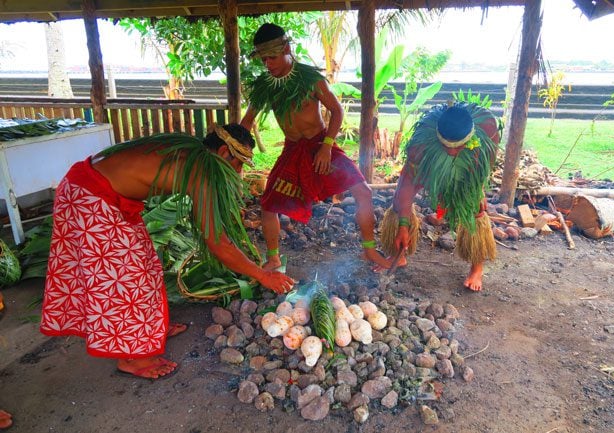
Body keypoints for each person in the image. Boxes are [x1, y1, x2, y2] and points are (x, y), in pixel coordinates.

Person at [40, 124, 295, 379]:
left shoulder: (194, 152)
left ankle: (151, 327)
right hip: (89, 197)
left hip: (101, 193)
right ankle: (132, 358)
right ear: (223, 152)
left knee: (147, 265)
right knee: (126, 279)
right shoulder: (202, 172)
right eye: (238, 164)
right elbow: (217, 242)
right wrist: (261, 275)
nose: (238, 172)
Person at [240, 23, 391, 271]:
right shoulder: (265, 86)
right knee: (268, 204)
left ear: (287, 49)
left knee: (363, 192)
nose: (268, 64)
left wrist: (327, 146)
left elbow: (336, 111)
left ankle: (369, 250)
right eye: (264, 59)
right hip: (292, 150)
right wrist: (231, 146)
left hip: (321, 143)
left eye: (273, 57)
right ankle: (274, 258)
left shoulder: (311, 79)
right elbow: (247, 121)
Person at [380, 102, 501, 291]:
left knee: (474, 207)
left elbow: (486, 165)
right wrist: (403, 225)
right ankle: (399, 254)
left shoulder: (488, 128)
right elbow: (407, 187)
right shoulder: (420, 146)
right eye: (446, 146)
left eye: (457, 147)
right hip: (429, 166)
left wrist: (475, 188)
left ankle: (477, 267)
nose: (452, 151)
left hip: (468, 169)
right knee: (398, 202)